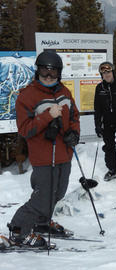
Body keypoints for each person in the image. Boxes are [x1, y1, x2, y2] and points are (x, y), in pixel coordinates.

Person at [6, 51, 80, 247]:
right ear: (37, 71)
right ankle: (18, 230)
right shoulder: (27, 96)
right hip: (43, 156)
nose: (48, 76)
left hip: (64, 153)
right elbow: (24, 129)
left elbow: (74, 117)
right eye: (44, 71)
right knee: (42, 198)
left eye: (53, 72)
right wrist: (47, 117)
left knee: (58, 193)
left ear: (59, 73)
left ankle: (41, 223)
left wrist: (74, 133)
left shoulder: (64, 92)